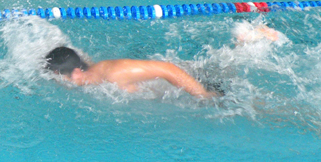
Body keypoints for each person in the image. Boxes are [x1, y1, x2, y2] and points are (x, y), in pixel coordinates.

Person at [45, 46, 219, 98]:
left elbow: (168, 69)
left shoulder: (113, 73)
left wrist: (203, 95)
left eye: (57, 77)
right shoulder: (90, 75)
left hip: (198, 81)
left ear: (76, 73)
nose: (56, 82)